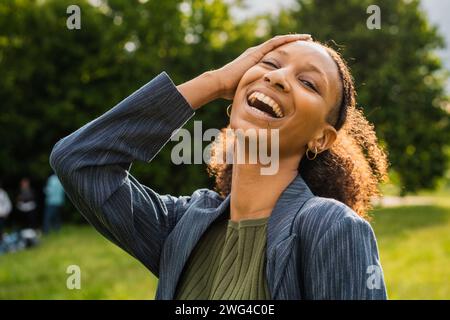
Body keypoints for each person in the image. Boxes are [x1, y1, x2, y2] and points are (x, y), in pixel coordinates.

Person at [50, 34, 389, 300]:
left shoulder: (331, 228)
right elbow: (80, 160)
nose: (280, 78)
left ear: (321, 138)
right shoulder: (184, 225)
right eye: (270, 63)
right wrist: (214, 82)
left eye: (309, 83)